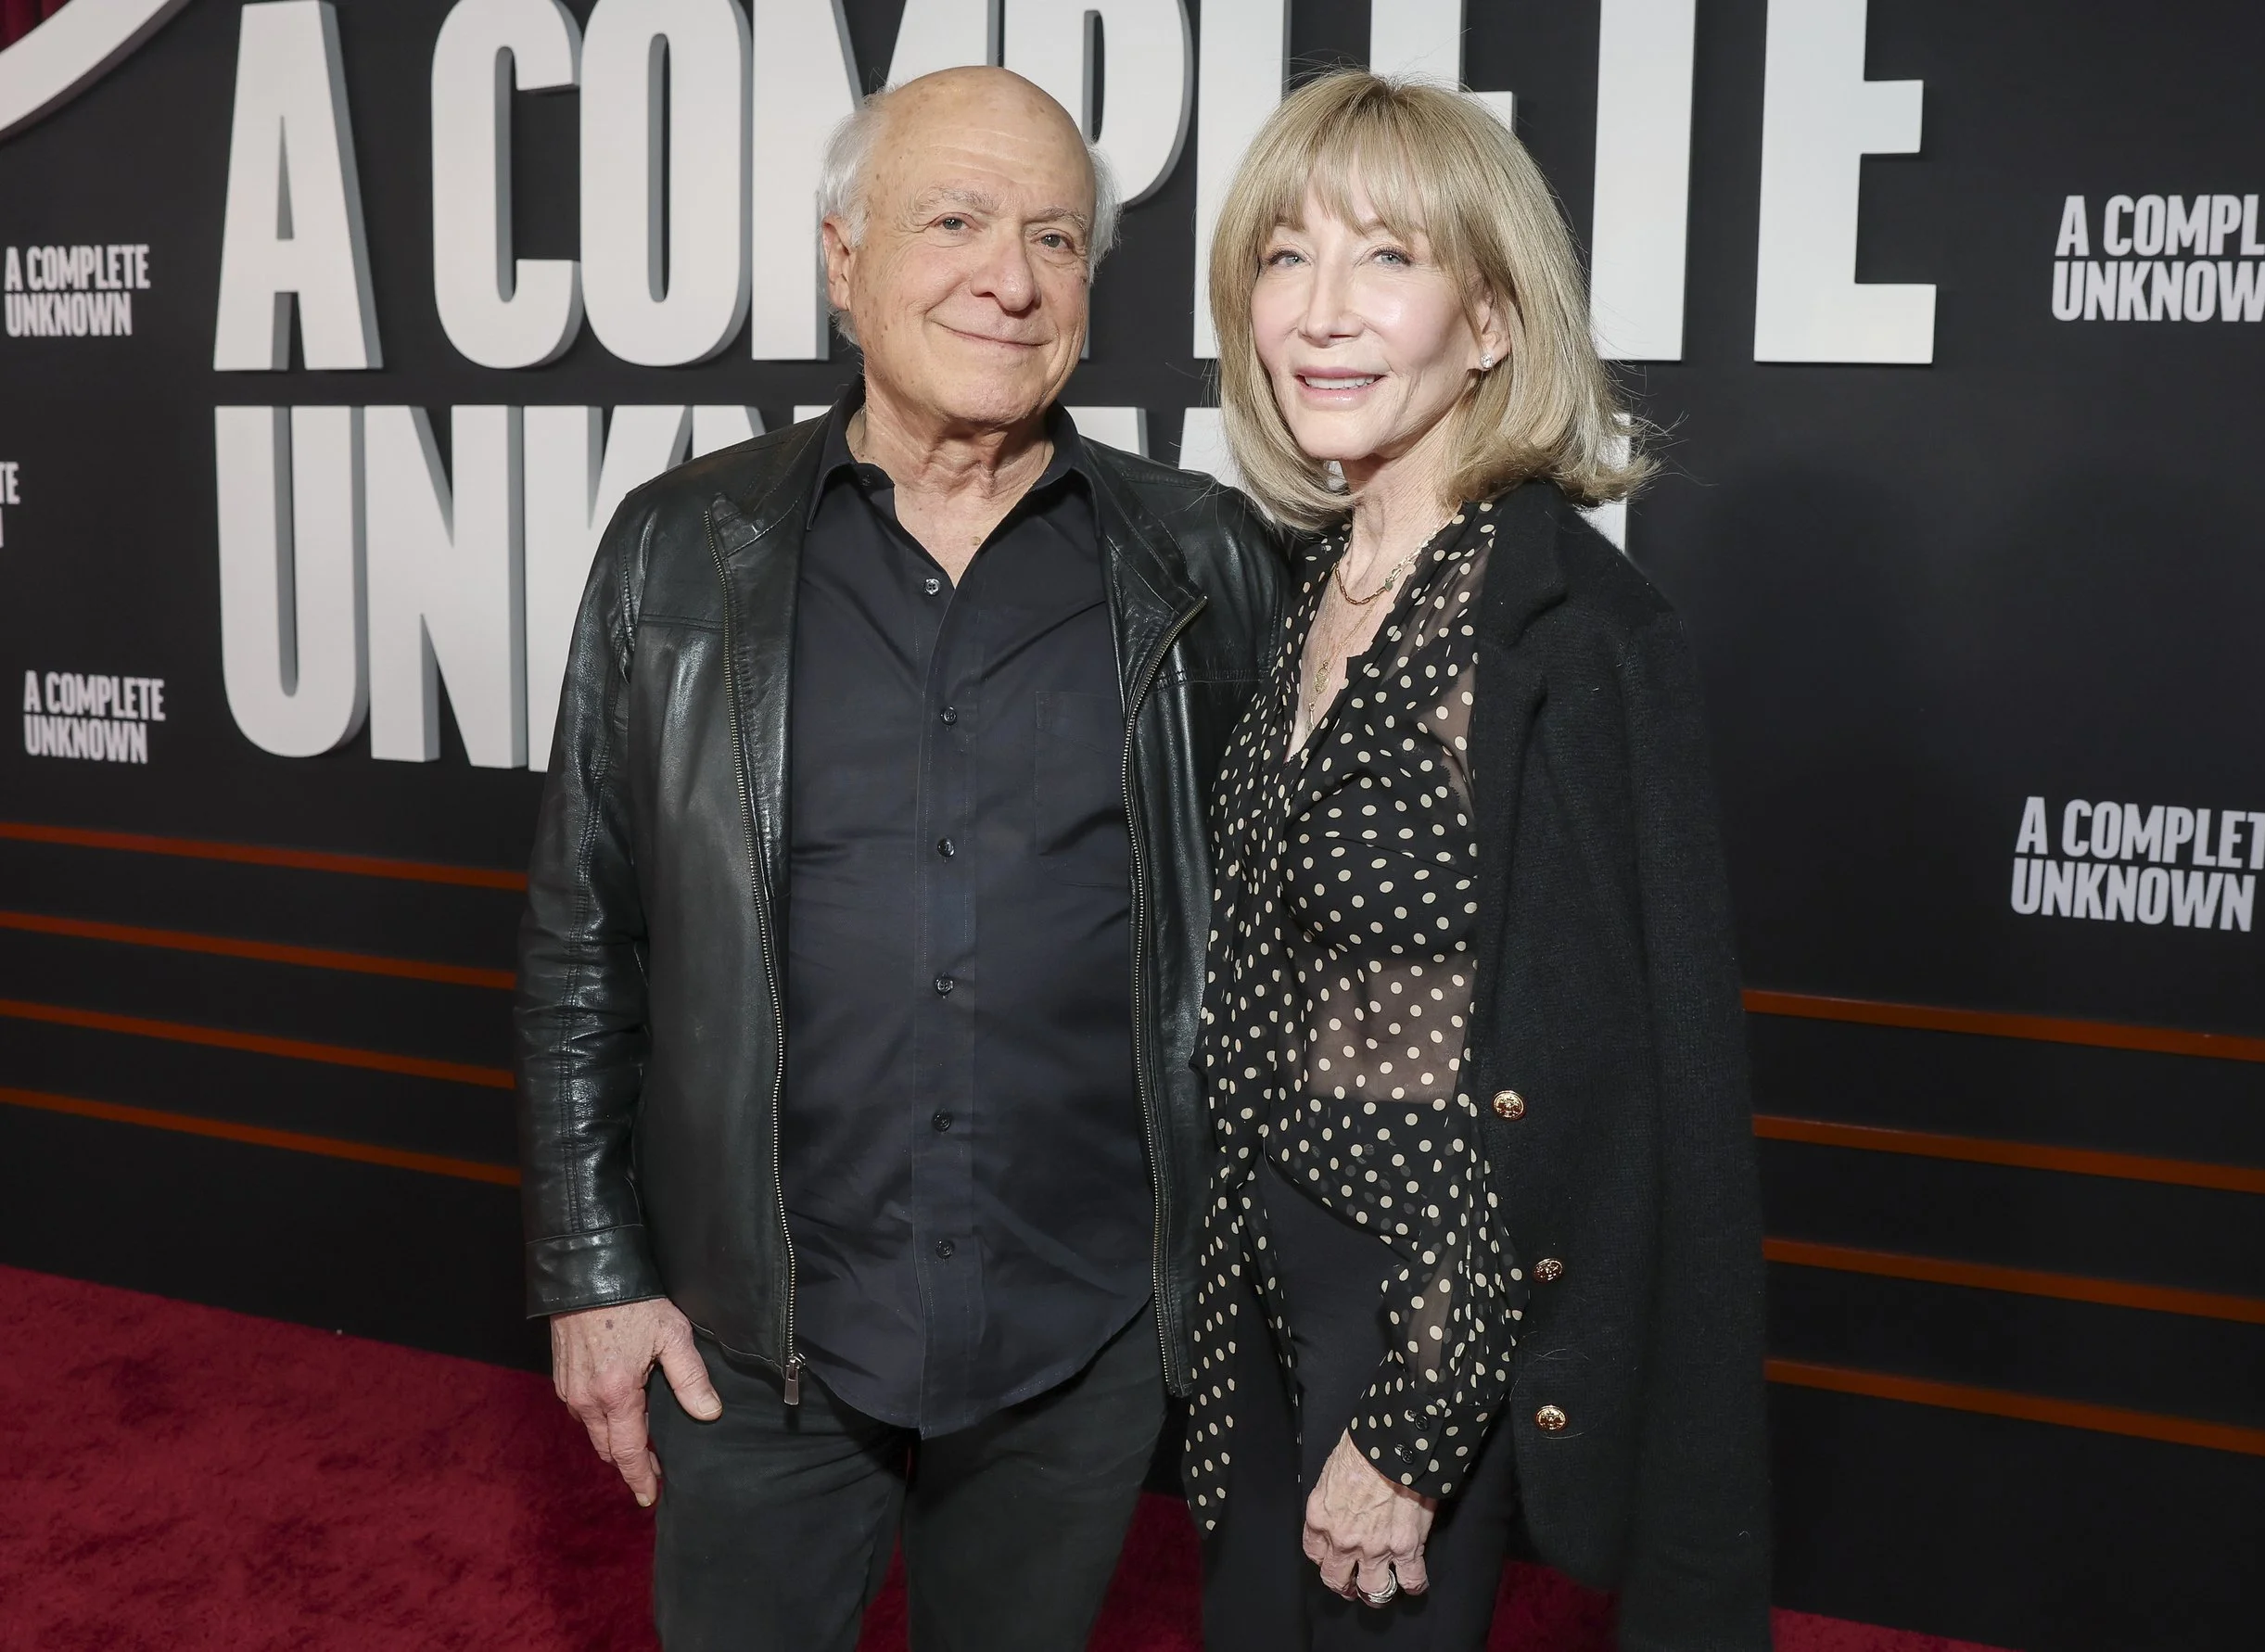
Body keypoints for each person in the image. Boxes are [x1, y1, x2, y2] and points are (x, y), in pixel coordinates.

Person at [515, 66, 1283, 1652]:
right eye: (956, 221)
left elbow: (1281, 944)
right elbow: (586, 939)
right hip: (760, 1331)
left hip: (1086, 1329)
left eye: (1058, 239)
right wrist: (598, 1268)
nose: (1011, 278)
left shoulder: (1205, 561)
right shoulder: (676, 550)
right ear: (840, 259)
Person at [1188, 72, 1772, 1650]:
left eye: (1387, 259)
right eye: (1284, 256)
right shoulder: (1308, 589)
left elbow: (1600, 1088)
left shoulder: (1569, 640)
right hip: (1261, 1287)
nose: (1319, 311)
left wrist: (1419, 1416)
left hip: (1423, 1319)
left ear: (1494, 320)